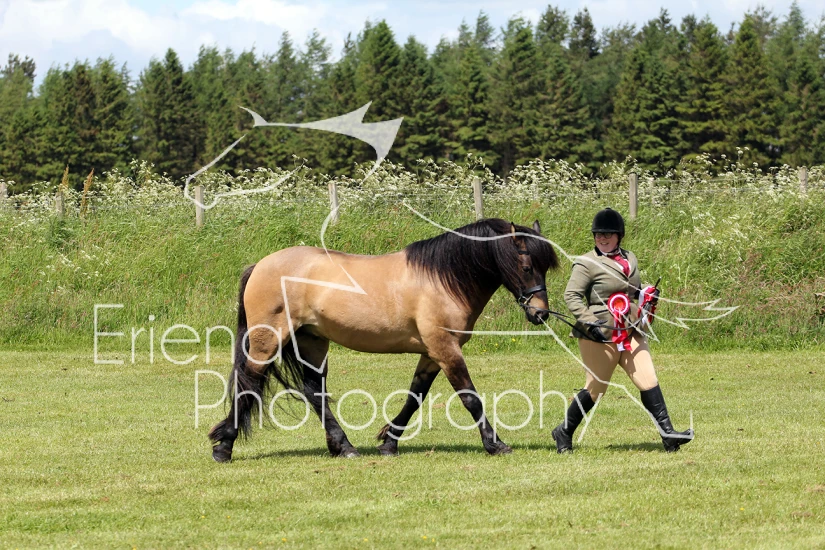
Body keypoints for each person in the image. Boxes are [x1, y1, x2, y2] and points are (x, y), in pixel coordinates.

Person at [552, 207, 694, 453]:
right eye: (598, 234)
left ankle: (668, 434)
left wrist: (646, 293)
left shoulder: (630, 258)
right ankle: (563, 431)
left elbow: (630, 290)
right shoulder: (586, 263)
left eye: (608, 234)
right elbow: (571, 295)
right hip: (600, 332)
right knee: (596, 389)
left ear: (619, 235)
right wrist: (590, 322)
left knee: (648, 379)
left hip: (630, 328)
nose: (602, 238)